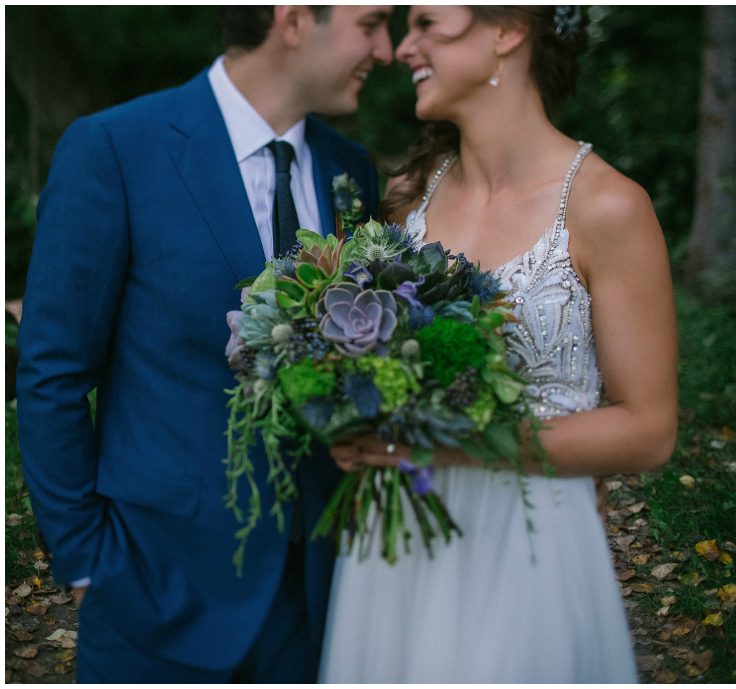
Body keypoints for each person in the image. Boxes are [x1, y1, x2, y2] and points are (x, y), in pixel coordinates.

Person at [16, 6, 392, 682]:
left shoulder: (351, 172)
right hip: (155, 593)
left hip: (319, 598)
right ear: (295, 18)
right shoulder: (116, 148)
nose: (386, 49)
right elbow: (53, 372)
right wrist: (85, 562)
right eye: (372, 24)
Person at [319, 5, 678, 683]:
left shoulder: (608, 208)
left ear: (508, 32)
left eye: (426, 23)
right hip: (393, 545)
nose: (402, 48)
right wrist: (349, 415)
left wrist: (442, 443)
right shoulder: (404, 200)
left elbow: (649, 430)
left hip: (528, 546)